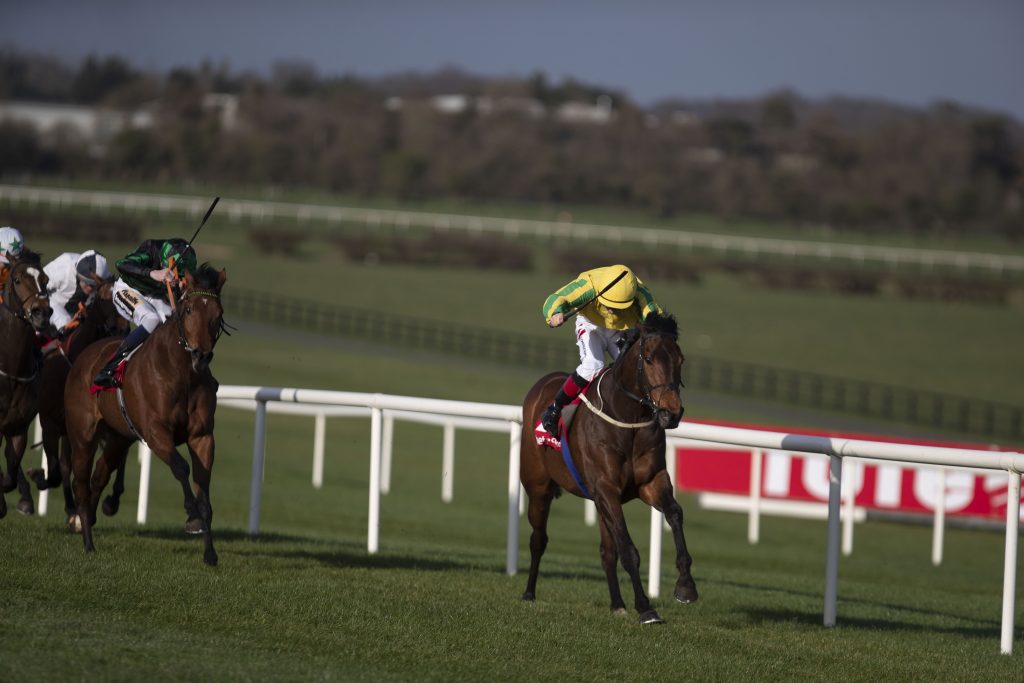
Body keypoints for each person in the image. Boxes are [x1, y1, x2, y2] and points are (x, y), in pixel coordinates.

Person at [540, 264, 664, 435]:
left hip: (619, 330)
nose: (612, 309)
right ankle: (554, 409)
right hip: (591, 325)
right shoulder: (589, 285)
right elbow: (556, 298)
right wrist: (555, 313)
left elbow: (656, 318)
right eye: (608, 304)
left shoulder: (640, 294)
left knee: (636, 369)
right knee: (593, 365)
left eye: (618, 306)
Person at [92, 237, 198, 389]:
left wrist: (182, 287)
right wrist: (154, 273)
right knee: (151, 319)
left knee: (175, 325)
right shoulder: (150, 248)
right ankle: (110, 367)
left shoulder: (188, 261)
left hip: (153, 295)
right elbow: (122, 264)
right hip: (128, 289)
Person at [43, 249, 112, 334]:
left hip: (76, 312)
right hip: (50, 302)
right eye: (87, 283)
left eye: (94, 285)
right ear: (79, 275)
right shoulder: (63, 268)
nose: (90, 288)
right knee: (65, 321)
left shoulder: (105, 280)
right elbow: (37, 286)